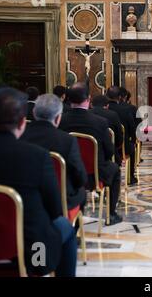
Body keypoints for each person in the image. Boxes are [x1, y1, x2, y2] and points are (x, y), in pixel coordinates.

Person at [0, 87, 77, 276]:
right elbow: (55, 210)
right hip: (30, 255)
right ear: (23, 122)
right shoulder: (38, 157)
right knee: (64, 225)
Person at [60, 83, 122, 225]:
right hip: (94, 174)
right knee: (115, 170)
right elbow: (109, 150)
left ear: (69, 100)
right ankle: (111, 214)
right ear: (88, 99)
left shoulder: (61, 120)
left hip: (67, 173)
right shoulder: (100, 122)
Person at [21, 94, 87, 211]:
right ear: (58, 118)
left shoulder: (21, 136)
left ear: (34, 113)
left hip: (27, 197)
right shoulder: (67, 140)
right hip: (59, 200)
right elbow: (80, 177)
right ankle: (72, 227)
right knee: (81, 192)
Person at [106, 86, 137, 185]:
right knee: (132, 148)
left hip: (104, 147)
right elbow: (133, 128)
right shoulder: (126, 110)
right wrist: (133, 141)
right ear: (120, 97)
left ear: (106, 96)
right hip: (122, 147)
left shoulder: (100, 112)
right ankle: (131, 177)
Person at [90, 95, 123, 165]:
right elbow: (119, 138)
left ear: (91, 105)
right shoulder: (113, 115)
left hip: (85, 154)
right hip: (106, 154)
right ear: (107, 105)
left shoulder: (87, 114)